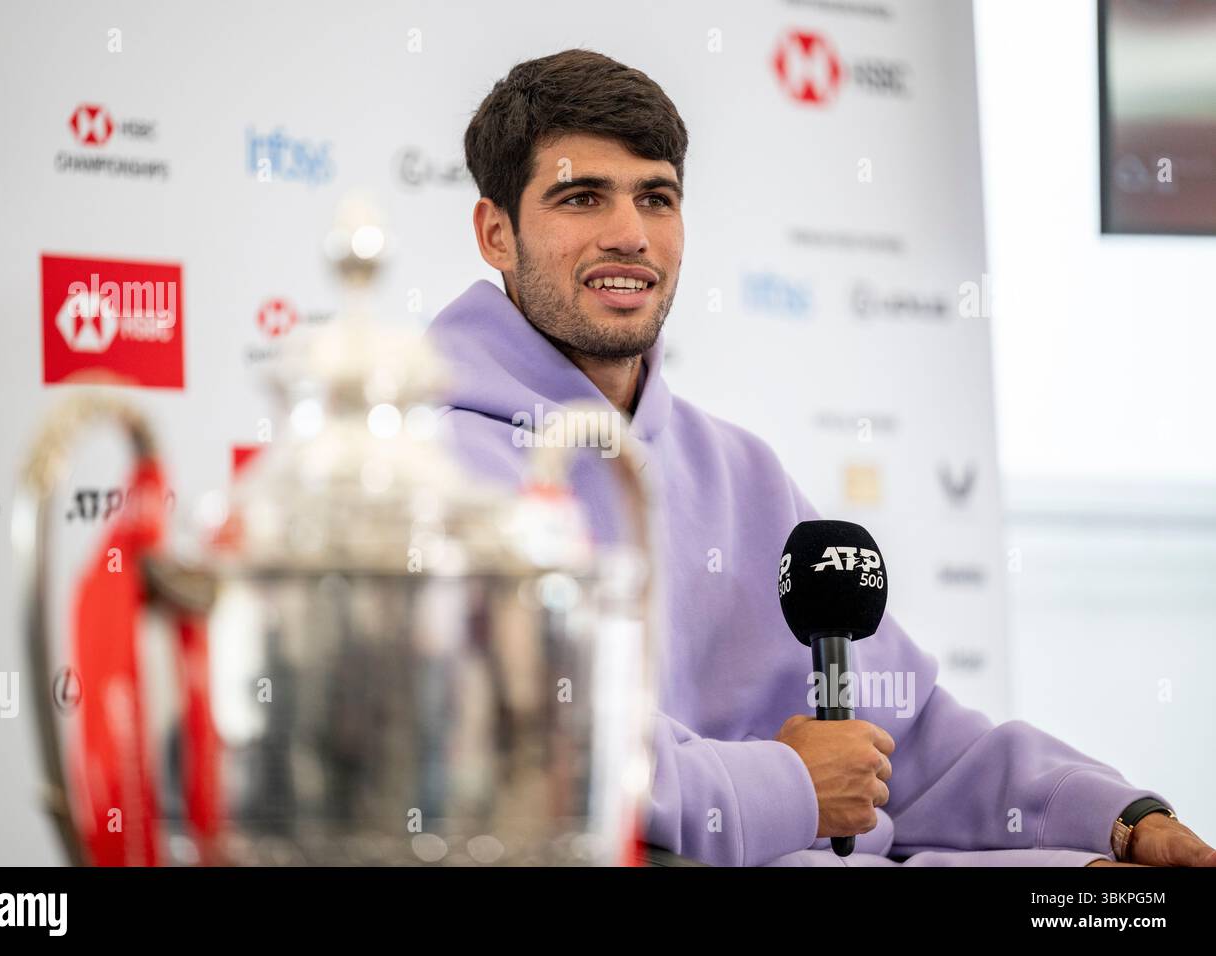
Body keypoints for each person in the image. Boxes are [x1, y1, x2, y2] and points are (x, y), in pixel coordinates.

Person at [422, 48, 1214, 867]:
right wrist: (793, 785)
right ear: (496, 233)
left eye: (656, 198)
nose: (629, 235)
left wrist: (1117, 818)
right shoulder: (435, 468)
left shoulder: (741, 469)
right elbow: (541, 753)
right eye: (581, 197)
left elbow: (911, 744)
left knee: (1110, 891)